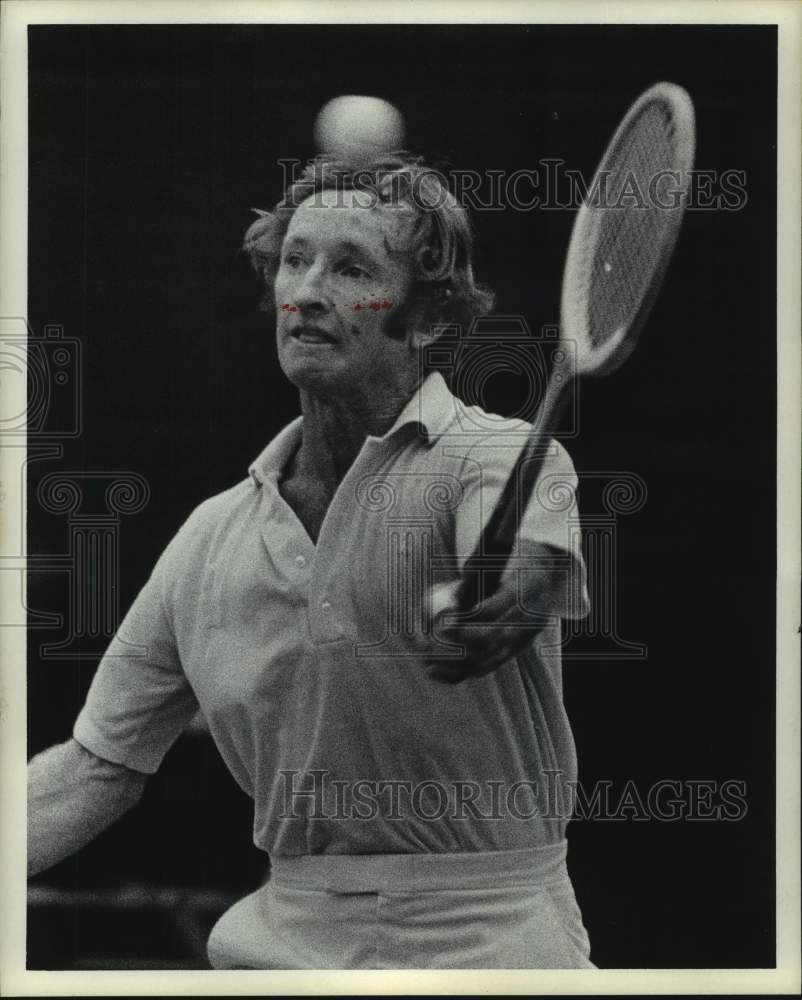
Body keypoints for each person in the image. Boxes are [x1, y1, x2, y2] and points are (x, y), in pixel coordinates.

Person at [28, 154, 594, 969]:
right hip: (287, 936)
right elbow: (96, 767)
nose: (307, 291)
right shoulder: (209, 537)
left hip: (493, 932)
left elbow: (527, 579)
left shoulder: (497, 458)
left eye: (352, 267)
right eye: (295, 260)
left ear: (427, 317)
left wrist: (497, 608)